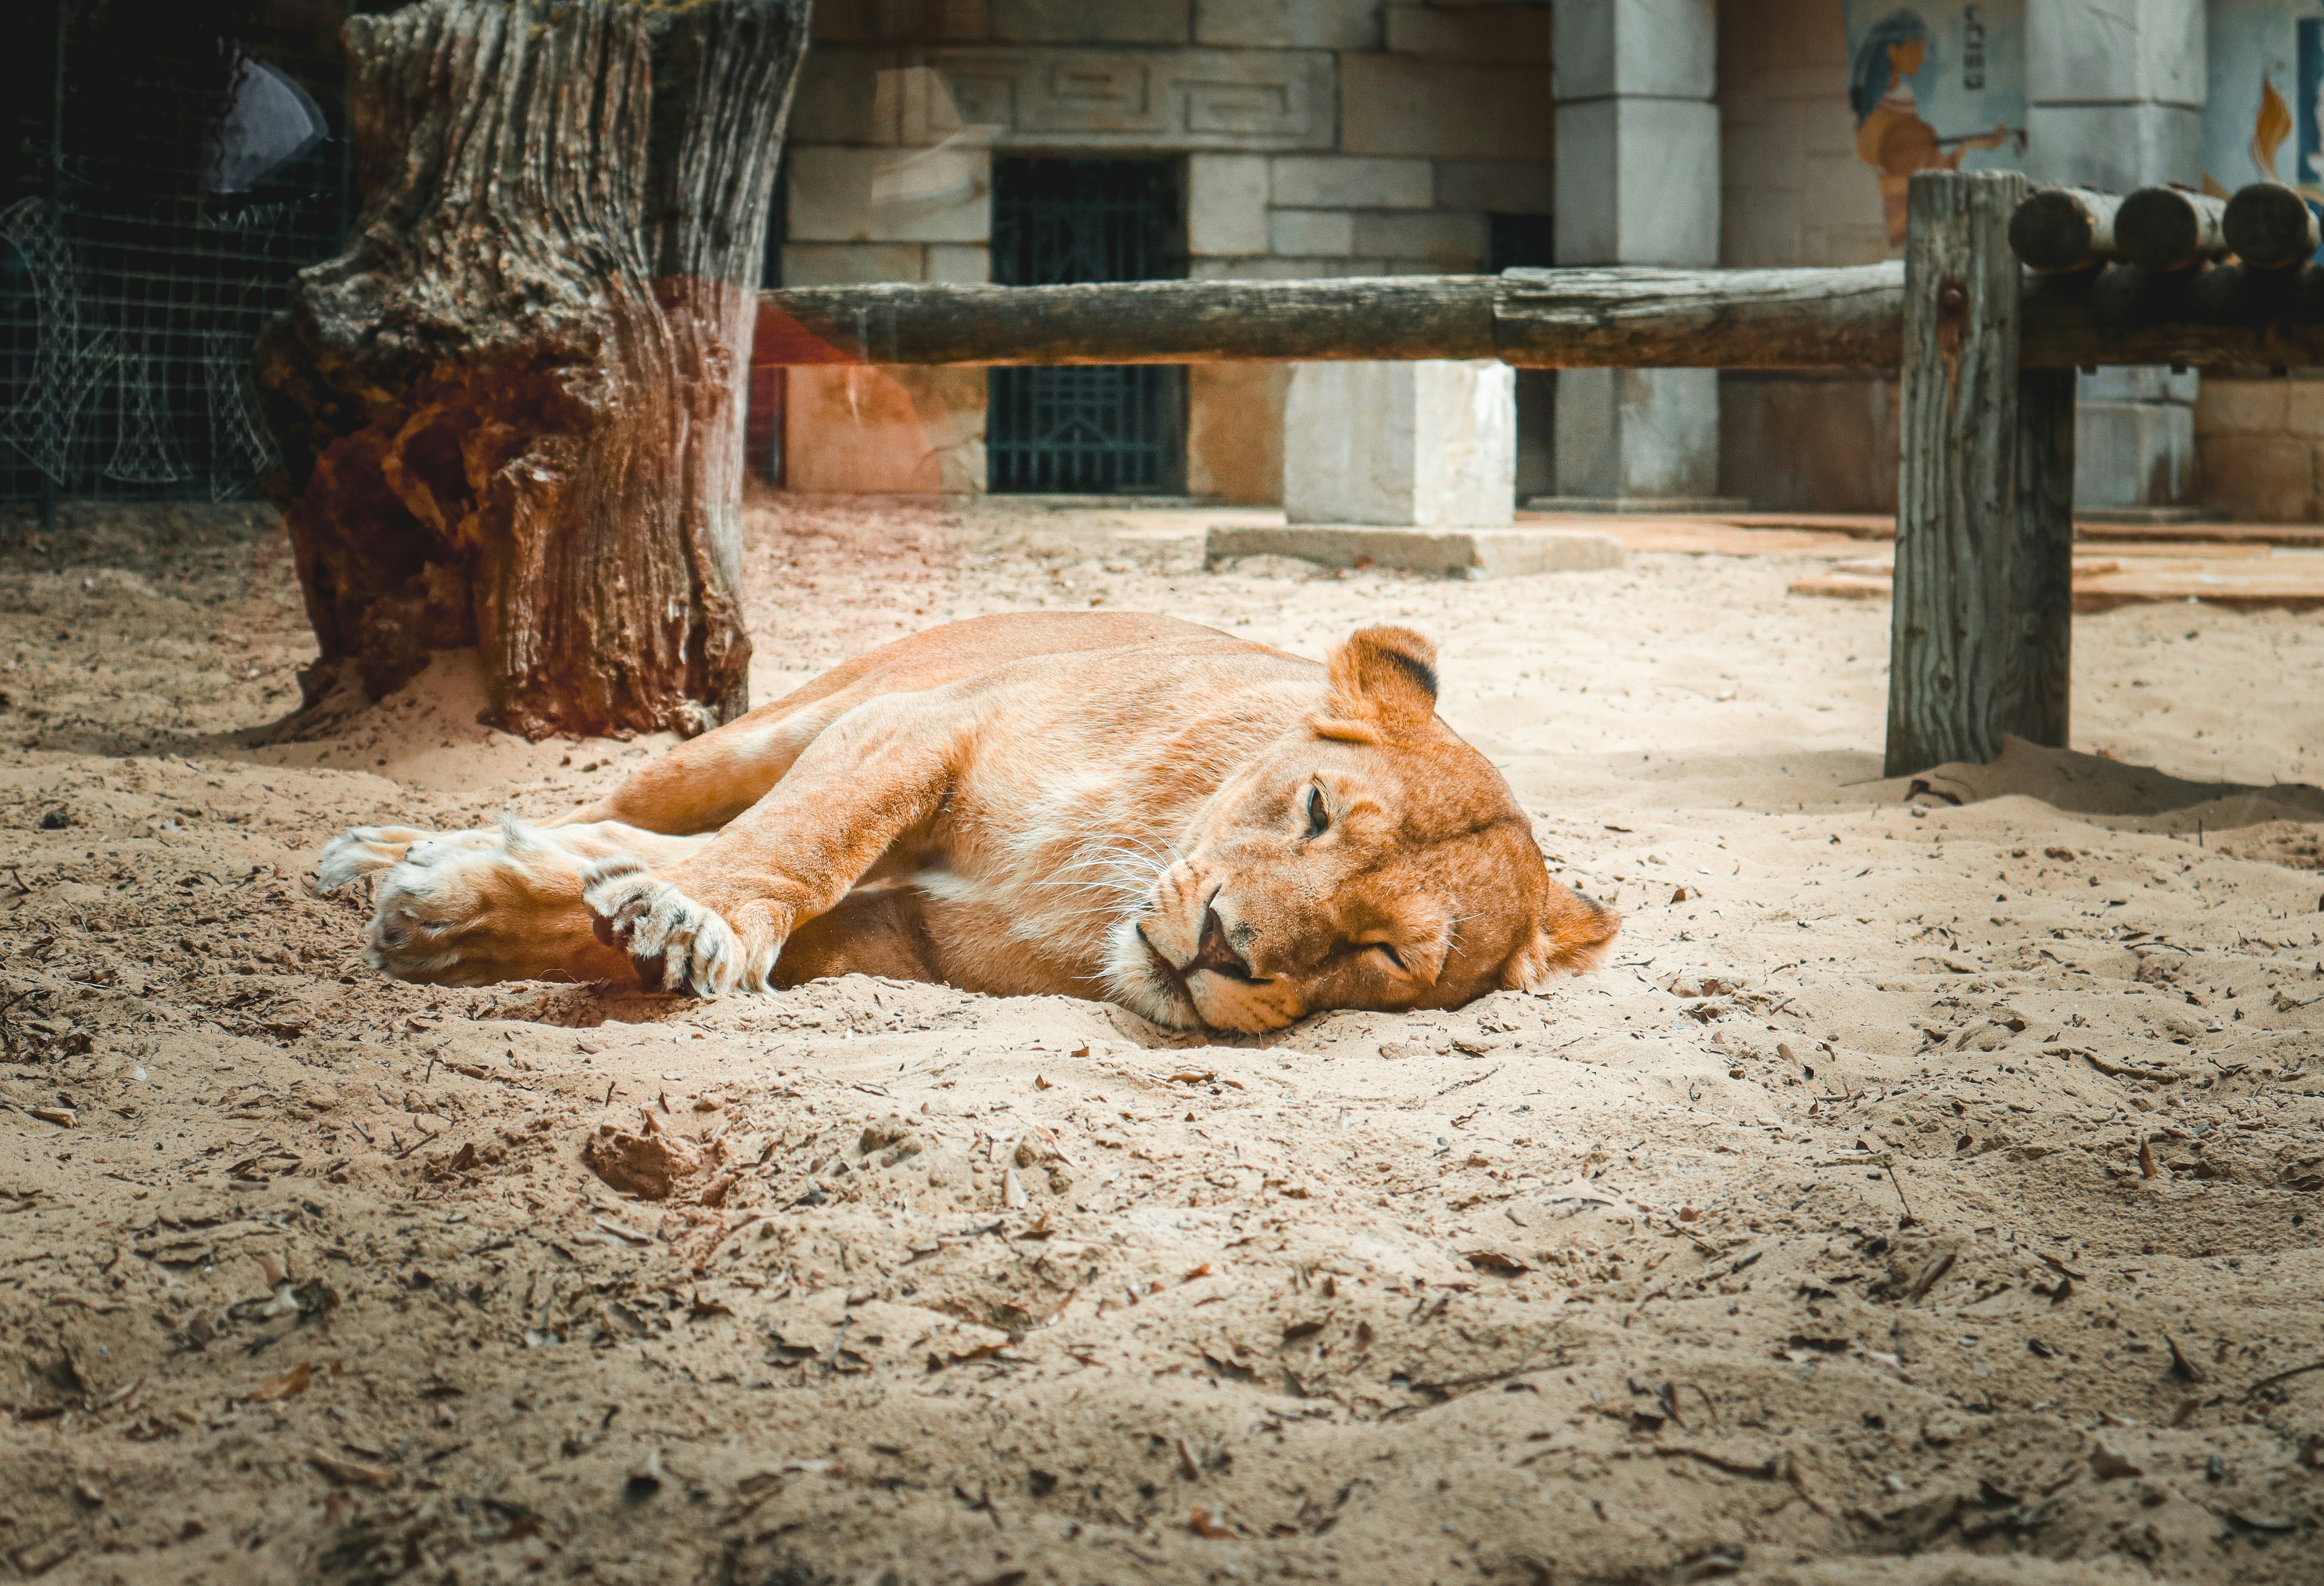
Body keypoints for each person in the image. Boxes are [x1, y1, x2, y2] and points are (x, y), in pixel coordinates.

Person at [1850, 10, 2013, 245]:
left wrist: (1977, 144)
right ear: (1893, 51)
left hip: (1919, 206)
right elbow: (1898, 159)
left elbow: (1928, 158)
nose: (1922, 57)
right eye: (1916, 47)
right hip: (1903, 212)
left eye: (1924, 48)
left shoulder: (1904, 99)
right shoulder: (1876, 113)